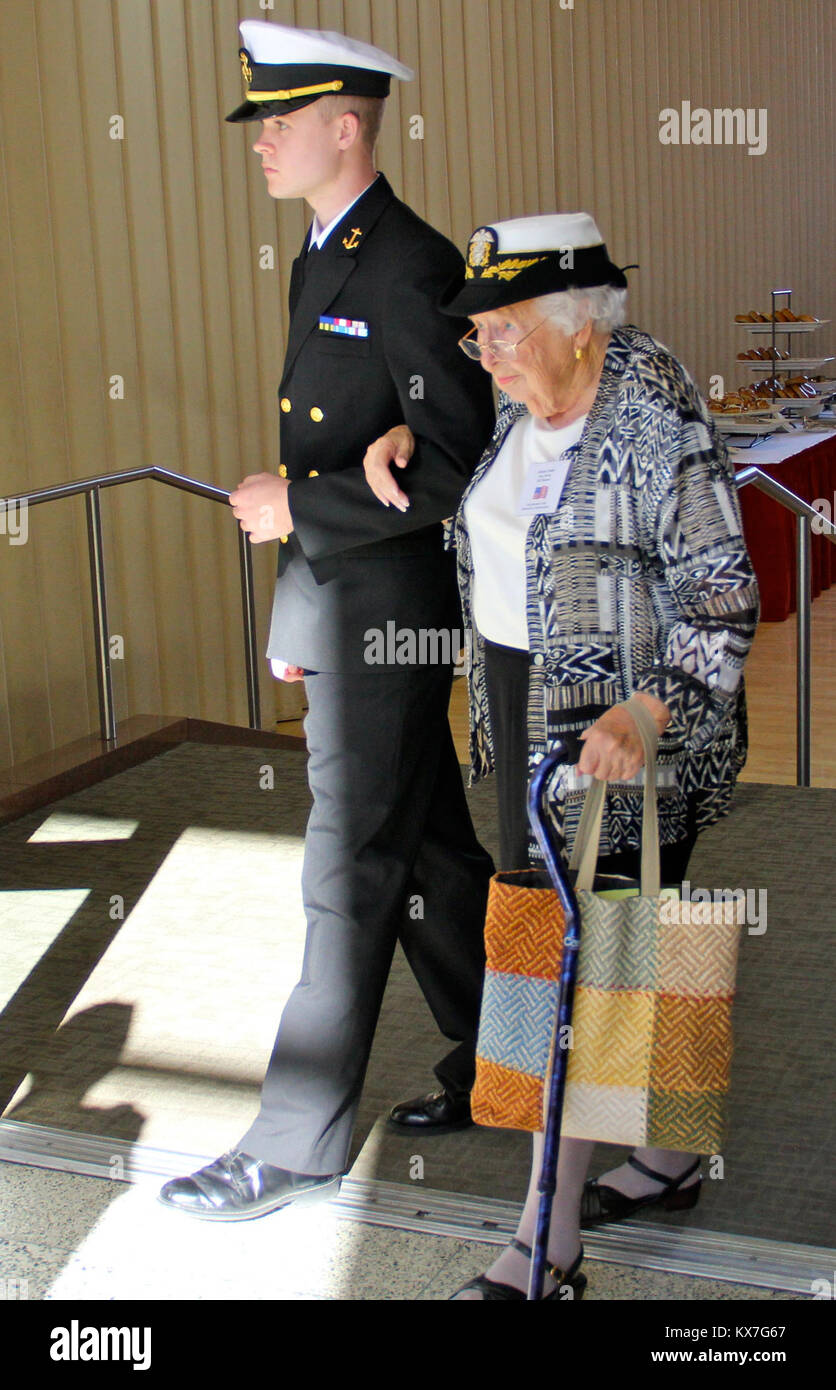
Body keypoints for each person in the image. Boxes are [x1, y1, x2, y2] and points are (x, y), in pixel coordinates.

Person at [364, 212, 759, 1298]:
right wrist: (406, 447)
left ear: (581, 327)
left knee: (574, 963)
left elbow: (725, 594)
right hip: (522, 711)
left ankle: (545, 1244)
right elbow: (499, 503)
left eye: (501, 330)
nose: (481, 354)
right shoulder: (522, 400)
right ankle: (670, 1156)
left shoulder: (647, 414)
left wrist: (646, 708)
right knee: (628, 940)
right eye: (475, 334)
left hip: (622, 738)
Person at [158, 20, 496, 1221]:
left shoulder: (407, 262)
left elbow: (456, 459)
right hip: (347, 601)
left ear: (345, 127)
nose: (263, 142)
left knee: (345, 868)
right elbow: (356, 442)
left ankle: (295, 1140)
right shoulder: (320, 253)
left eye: (281, 121)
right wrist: (301, 574)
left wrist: (295, 502)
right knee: (432, 858)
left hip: (391, 617)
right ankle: (504, 1069)